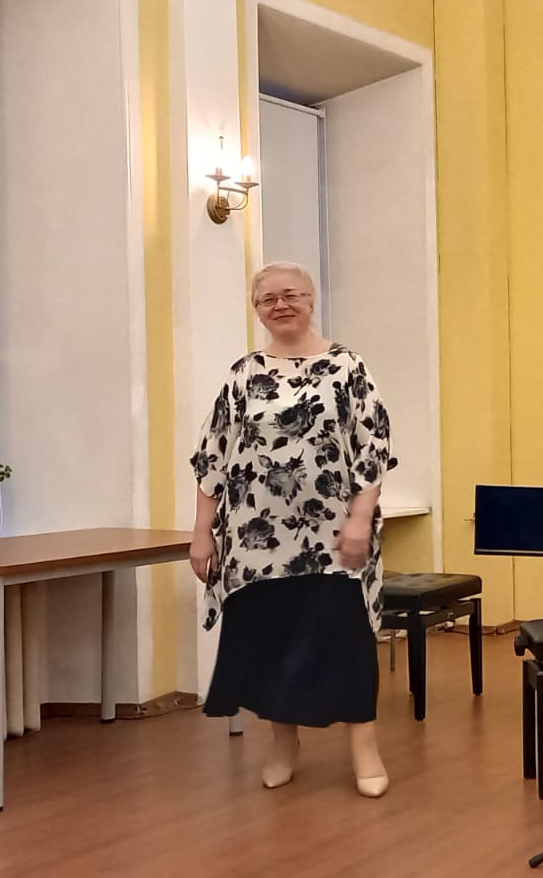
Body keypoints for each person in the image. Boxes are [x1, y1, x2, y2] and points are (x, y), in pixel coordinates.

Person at [188, 261, 399, 799]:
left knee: (346, 640)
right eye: (268, 299)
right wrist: (202, 532)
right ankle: (284, 742)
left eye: (291, 295)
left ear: (311, 299)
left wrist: (359, 519)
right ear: (257, 310)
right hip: (256, 540)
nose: (280, 305)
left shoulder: (348, 366)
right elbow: (212, 456)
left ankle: (365, 749)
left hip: (335, 536)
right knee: (271, 639)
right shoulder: (243, 373)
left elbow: (373, 450)